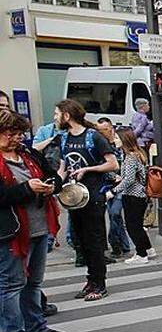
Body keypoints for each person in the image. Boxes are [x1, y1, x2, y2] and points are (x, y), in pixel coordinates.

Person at [0, 109, 65, 332]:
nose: (17, 138)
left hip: (38, 227)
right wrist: (28, 187)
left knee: (33, 283)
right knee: (11, 284)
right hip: (11, 232)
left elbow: (53, 176)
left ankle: (35, 326)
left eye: (19, 133)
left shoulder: (27, 154)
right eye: (11, 134)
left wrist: (51, 186)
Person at [55, 99, 119, 302]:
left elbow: (113, 164)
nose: (55, 117)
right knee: (80, 241)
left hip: (93, 196)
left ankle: (99, 284)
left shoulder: (93, 137)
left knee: (94, 241)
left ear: (67, 115)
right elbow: (63, 168)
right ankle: (90, 280)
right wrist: (55, 185)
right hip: (74, 198)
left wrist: (87, 169)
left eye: (57, 113)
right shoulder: (64, 138)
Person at [110, 128, 155, 265]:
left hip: (133, 195)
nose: (114, 140)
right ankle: (148, 248)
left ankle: (141, 254)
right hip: (139, 194)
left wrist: (113, 191)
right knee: (137, 225)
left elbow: (129, 180)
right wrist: (121, 177)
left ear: (124, 140)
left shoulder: (130, 157)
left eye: (117, 138)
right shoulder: (138, 154)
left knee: (132, 226)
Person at [96, 117, 132, 261]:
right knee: (114, 216)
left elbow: (124, 162)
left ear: (110, 128)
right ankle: (124, 246)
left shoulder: (119, 143)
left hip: (120, 185)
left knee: (114, 213)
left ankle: (116, 244)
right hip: (107, 185)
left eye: (104, 129)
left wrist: (120, 176)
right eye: (99, 130)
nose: (101, 133)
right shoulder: (100, 144)